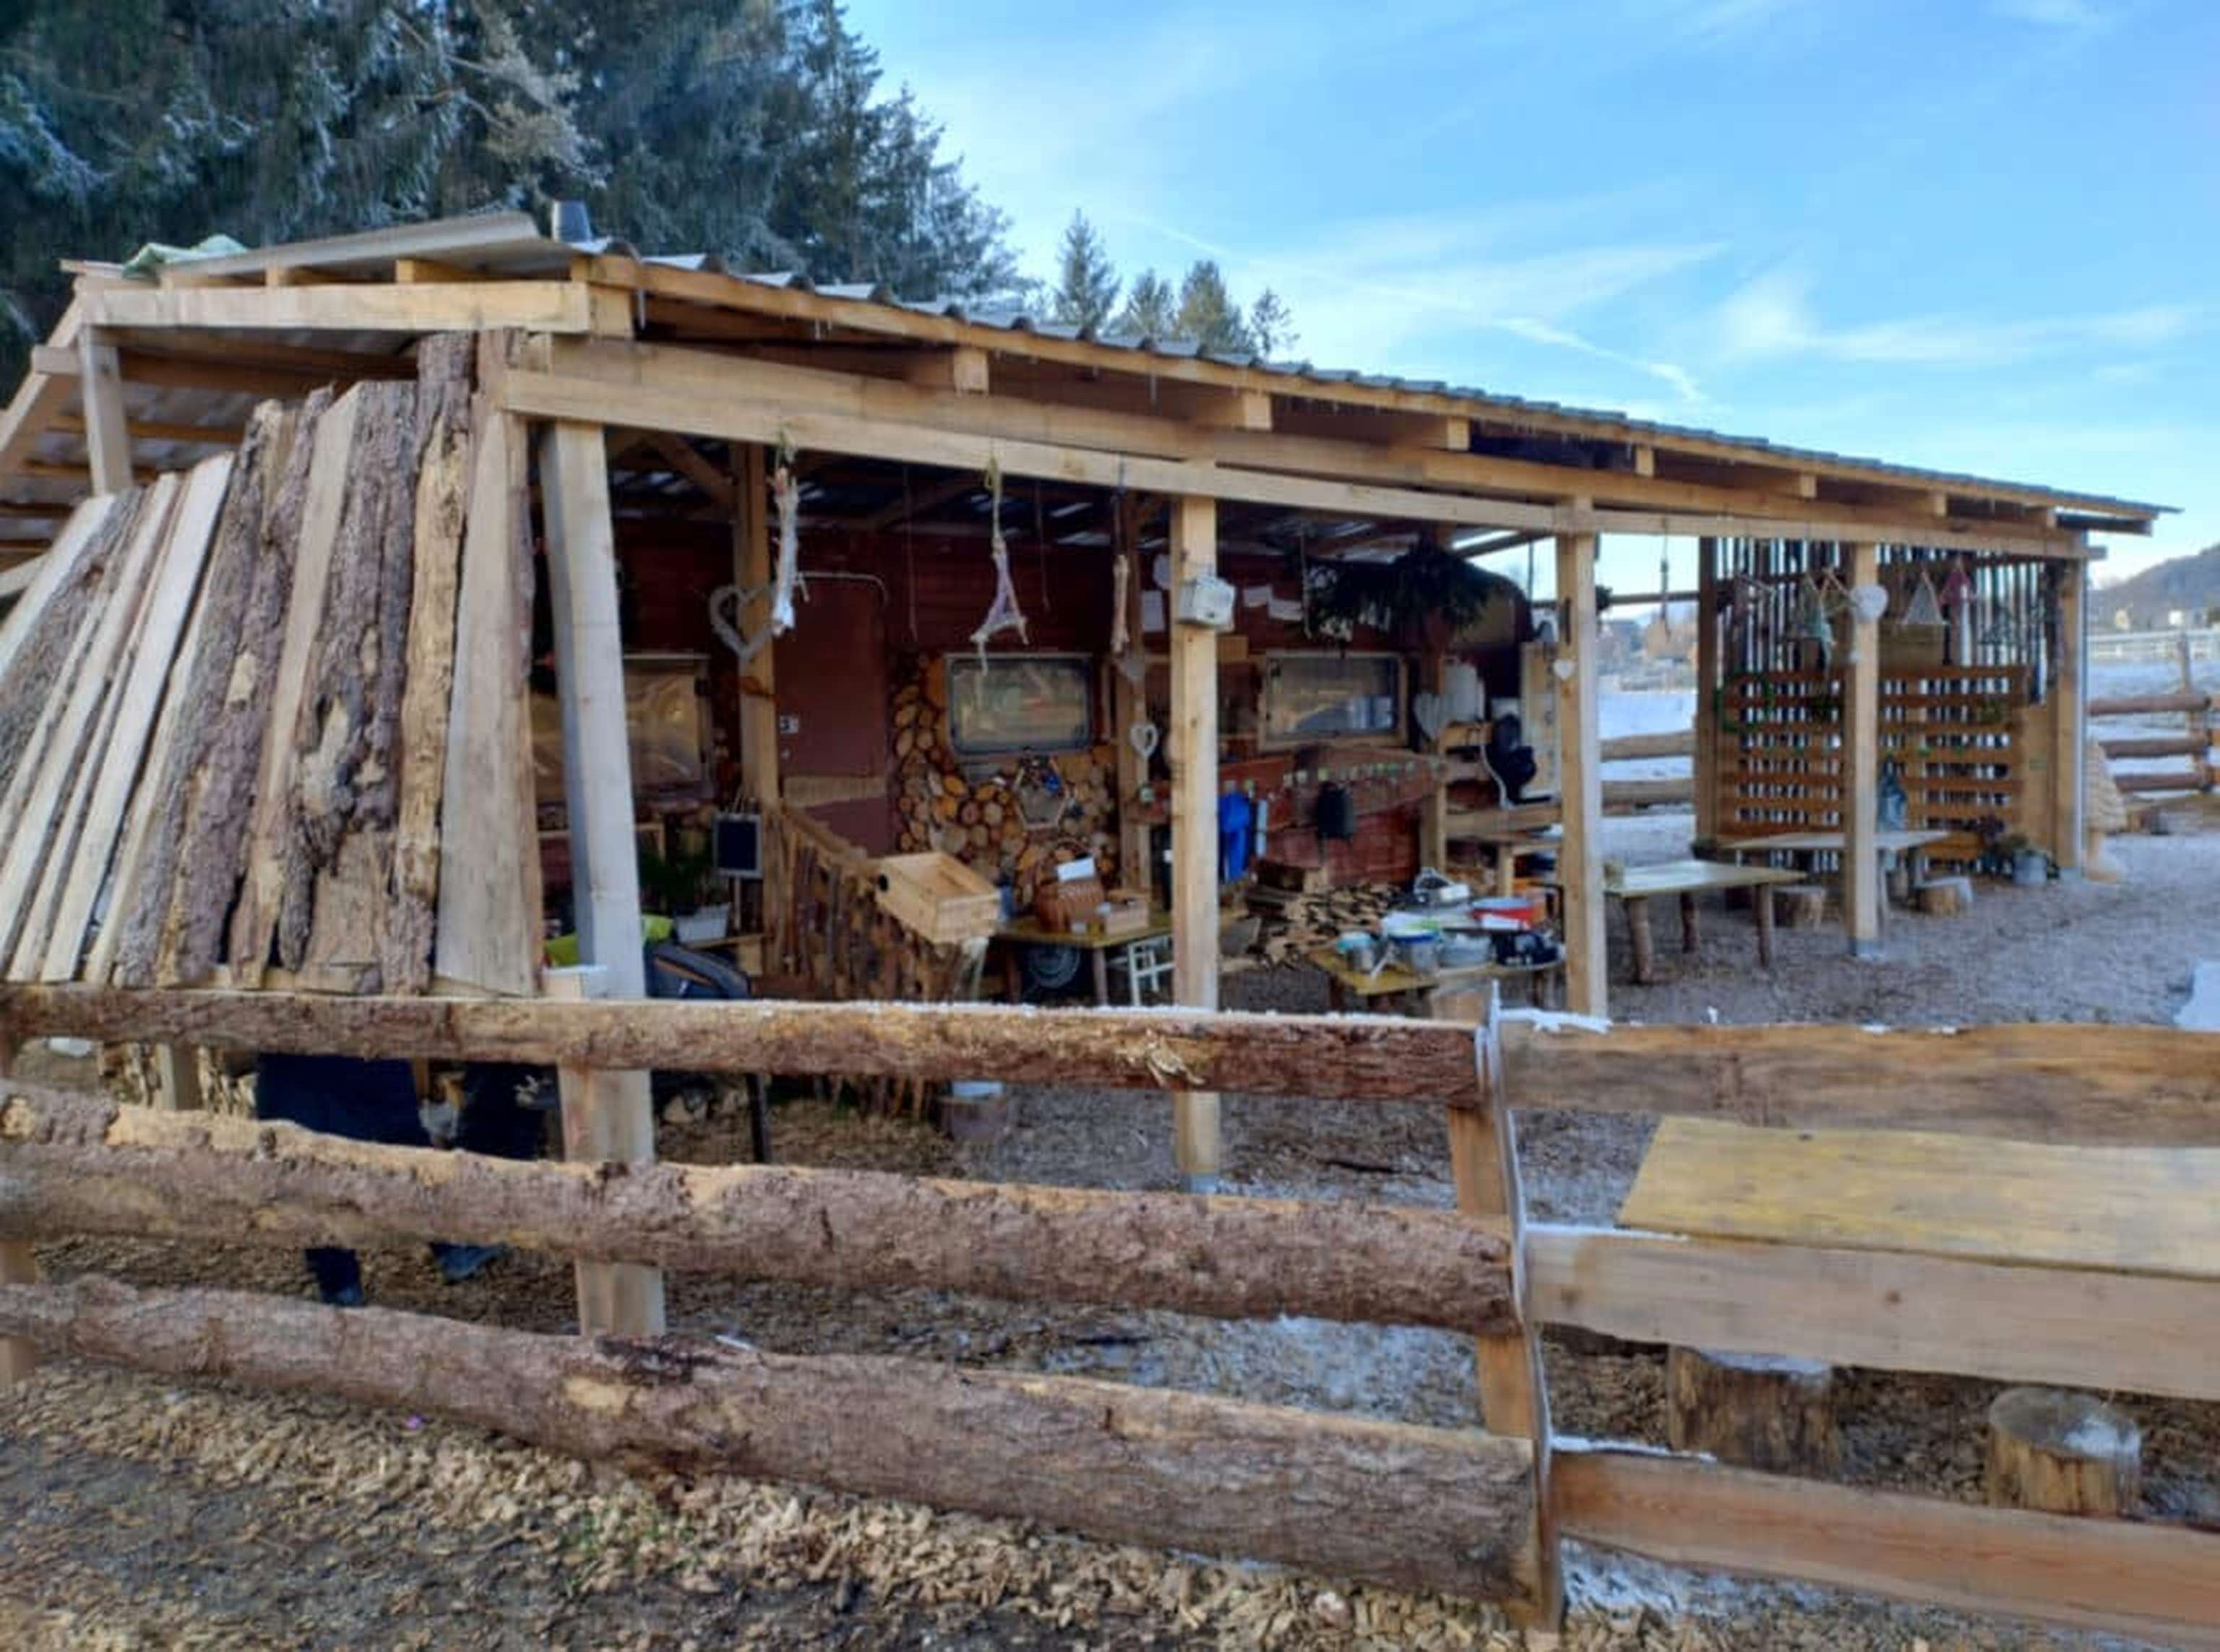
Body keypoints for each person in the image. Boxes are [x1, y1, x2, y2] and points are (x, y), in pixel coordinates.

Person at [252, 1053, 536, 1306]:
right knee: (396, 1142)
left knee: (305, 1167)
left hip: (294, 1058)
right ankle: (451, 1247)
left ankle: (339, 1287)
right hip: (351, 1051)